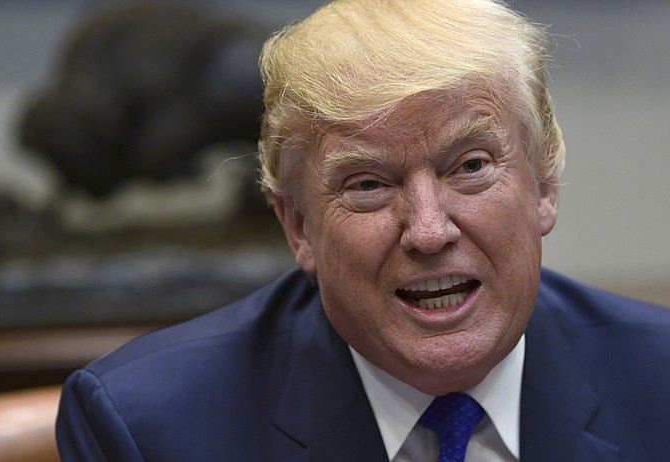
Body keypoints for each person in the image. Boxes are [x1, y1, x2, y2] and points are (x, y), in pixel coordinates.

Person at [55, 0, 670, 460]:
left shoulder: (659, 380)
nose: (428, 232)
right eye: (368, 185)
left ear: (543, 187)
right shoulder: (146, 428)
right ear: (298, 225)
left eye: (471, 167)